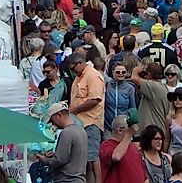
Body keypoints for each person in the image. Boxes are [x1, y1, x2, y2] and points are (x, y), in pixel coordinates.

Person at [68, 52, 105, 183]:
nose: (72, 71)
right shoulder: (79, 77)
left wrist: (74, 110)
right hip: (80, 123)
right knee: (86, 160)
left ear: (80, 63)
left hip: (91, 122)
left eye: (73, 68)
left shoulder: (93, 75)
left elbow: (95, 99)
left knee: (93, 157)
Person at [41, 102, 88, 183]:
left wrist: (45, 160)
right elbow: (75, 155)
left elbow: (60, 160)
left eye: (52, 120)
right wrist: (56, 154)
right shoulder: (81, 131)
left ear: (59, 115)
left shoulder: (66, 133)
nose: (53, 124)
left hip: (66, 180)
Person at [99, 116, 146, 183]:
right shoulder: (106, 145)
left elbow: (144, 176)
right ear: (120, 130)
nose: (133, 133)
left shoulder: (132, 147)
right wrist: (128, 134)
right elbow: (116, 157)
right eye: (129, 129)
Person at [131, 63, 171, 133]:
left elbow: (134, 78)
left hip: (151, 131)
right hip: (158, 129)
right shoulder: (163, 87)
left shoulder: (153, 86)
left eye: (145, 74)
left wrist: (136, 69)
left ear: (149, 74)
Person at [104, 64, 136, 134]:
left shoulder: (130, 88)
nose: (121, 74)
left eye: (123, 72)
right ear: (113, 72)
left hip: (124, 127)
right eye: (118, 72)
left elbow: (132, 108)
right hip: (108, 127)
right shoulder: (106, 85)